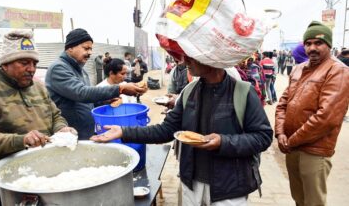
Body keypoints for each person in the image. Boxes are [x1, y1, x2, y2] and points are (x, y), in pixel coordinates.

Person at [92, 54, 273, 206]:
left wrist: (223, 142)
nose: (185, 60)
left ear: (209, 57)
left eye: (191, 56)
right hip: (191, 185)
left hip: (229, 189)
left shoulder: (242, 92)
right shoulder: (189, 92)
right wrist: (124, 132)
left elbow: (263, 137)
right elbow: (165, 130)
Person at [0, 30, 76, 205]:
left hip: (42, 181)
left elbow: (55, 115)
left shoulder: (38, 87)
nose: (31, 69)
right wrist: (21, 141)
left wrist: (61, 128)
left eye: (34, 63)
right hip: (1, 190)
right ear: (5, 63)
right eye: (24, 62)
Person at [275, 21, 349, 206]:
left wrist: (290, 141)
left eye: (318, 43)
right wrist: (280, 133)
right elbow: (282, 104)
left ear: (329, 45)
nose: (312, 48)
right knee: (299, 199)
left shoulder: (338, 71)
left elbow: (326, 118)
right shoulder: (298, 69)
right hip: (291, 146)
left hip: (315, 150)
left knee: (313, 202)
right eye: (308, 43)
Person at [45, 28, 146, 139]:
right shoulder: (58, 68)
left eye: (91, 49)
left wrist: (103, 101)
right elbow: (81, 93)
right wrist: (120, 89)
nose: (90, 53)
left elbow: (86, 101)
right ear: (70, 48)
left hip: (85, 134)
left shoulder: (82, 71)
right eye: (86, 48)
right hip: (69, 136)